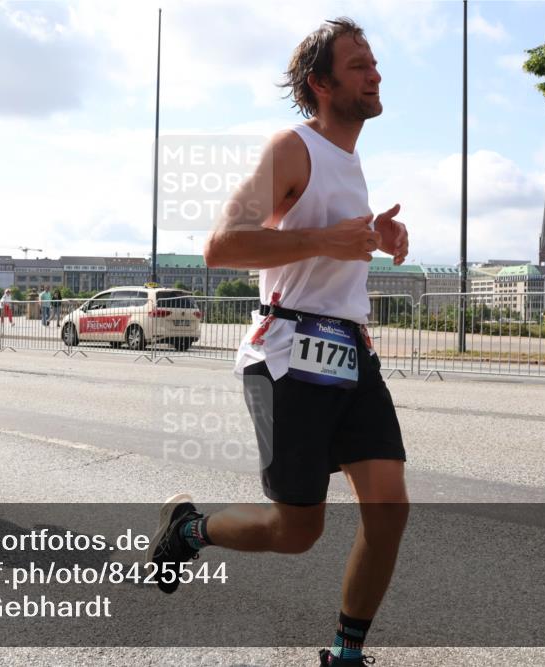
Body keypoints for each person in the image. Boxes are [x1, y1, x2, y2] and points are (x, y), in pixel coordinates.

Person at [145, 18, 409, 667]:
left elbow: (332, 251)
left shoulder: (350, 162)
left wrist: (376, 238)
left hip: (351, 352)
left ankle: (346, 653)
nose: (374, 73)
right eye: (358, 65)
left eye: (374, 61)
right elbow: (220, 245)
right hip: (288, 353)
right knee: (298, 531)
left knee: (389, 510)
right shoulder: (293, 147)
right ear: (321, 84)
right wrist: (329, 240)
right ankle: (189, 528)